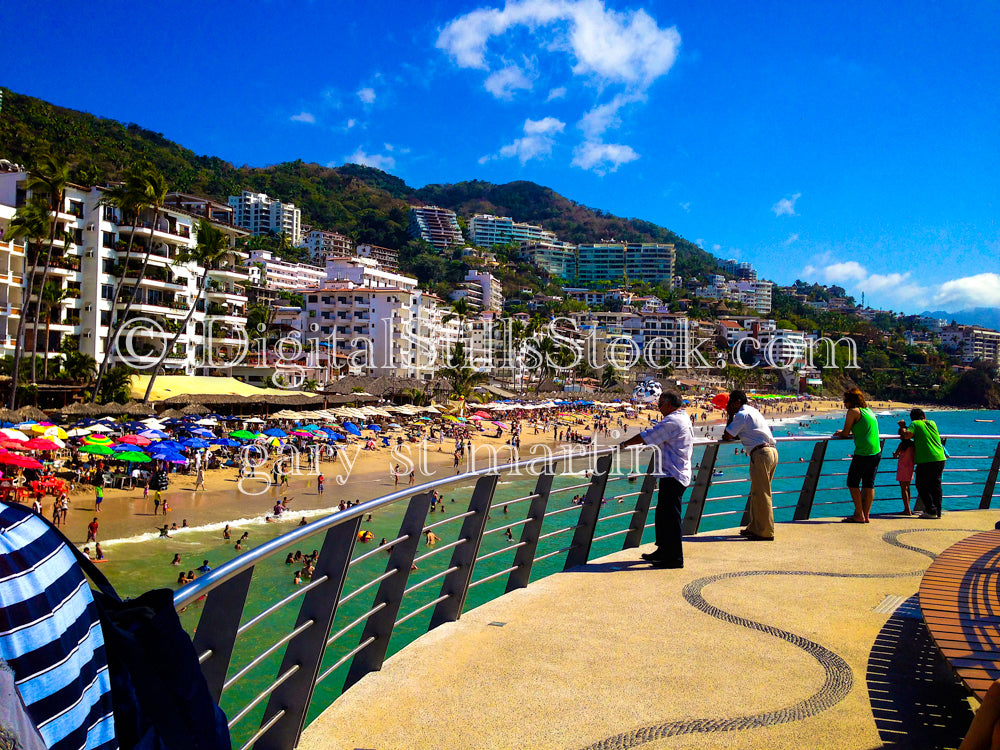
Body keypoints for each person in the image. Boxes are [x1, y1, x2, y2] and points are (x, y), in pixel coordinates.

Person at [619, 390, 694, 568]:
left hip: (673, 474)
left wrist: (625, 443)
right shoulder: (682, 417)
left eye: (660, 404)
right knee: (663, 515)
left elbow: (648, 437)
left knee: (671, 517)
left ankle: (674, 557)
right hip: (673, 472)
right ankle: (663, 551)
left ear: (669, 404)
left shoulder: (673, 420)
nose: (658, 407)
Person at [721, 390, 778, 541]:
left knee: (762, 493)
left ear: (737, 402)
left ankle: (765, 531)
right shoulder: (752, 411)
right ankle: (755, 527)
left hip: (761, 453)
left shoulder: (741, 415)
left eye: (730, 403)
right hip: (771, 451)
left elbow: (727, 435)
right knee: (758, 492)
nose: (729, 406)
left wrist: (730, 415)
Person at [832, 388, 882, 523]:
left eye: (845, 401)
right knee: (869, 484)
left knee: (852, 483)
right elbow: (863, 430)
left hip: (864, 452)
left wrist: (840, 432)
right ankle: (866, 515)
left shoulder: (853, 412)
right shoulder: (869, 411)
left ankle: (859, 514)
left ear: (851, 401)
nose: (844, 404)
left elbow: (845, 432)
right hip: (876, 451)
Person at [900, 409, 947, 519]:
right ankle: (937, 511)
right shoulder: (932, 423)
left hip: (926, 459)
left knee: (921, 484)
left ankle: (931, 510)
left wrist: (902, 426)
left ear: (912, 418)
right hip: (940, 457)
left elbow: (907, 435)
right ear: (924, 416)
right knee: (936, 485)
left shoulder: (915, 423)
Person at [892, 434, 916, 516]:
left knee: (903, 488)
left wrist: (895, 454)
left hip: (902, 467)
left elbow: (895, 455)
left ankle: (907, 509)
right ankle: (908, 507)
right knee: (908, 487)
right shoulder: (913, 444)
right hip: (910, 467)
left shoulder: (902, 445)